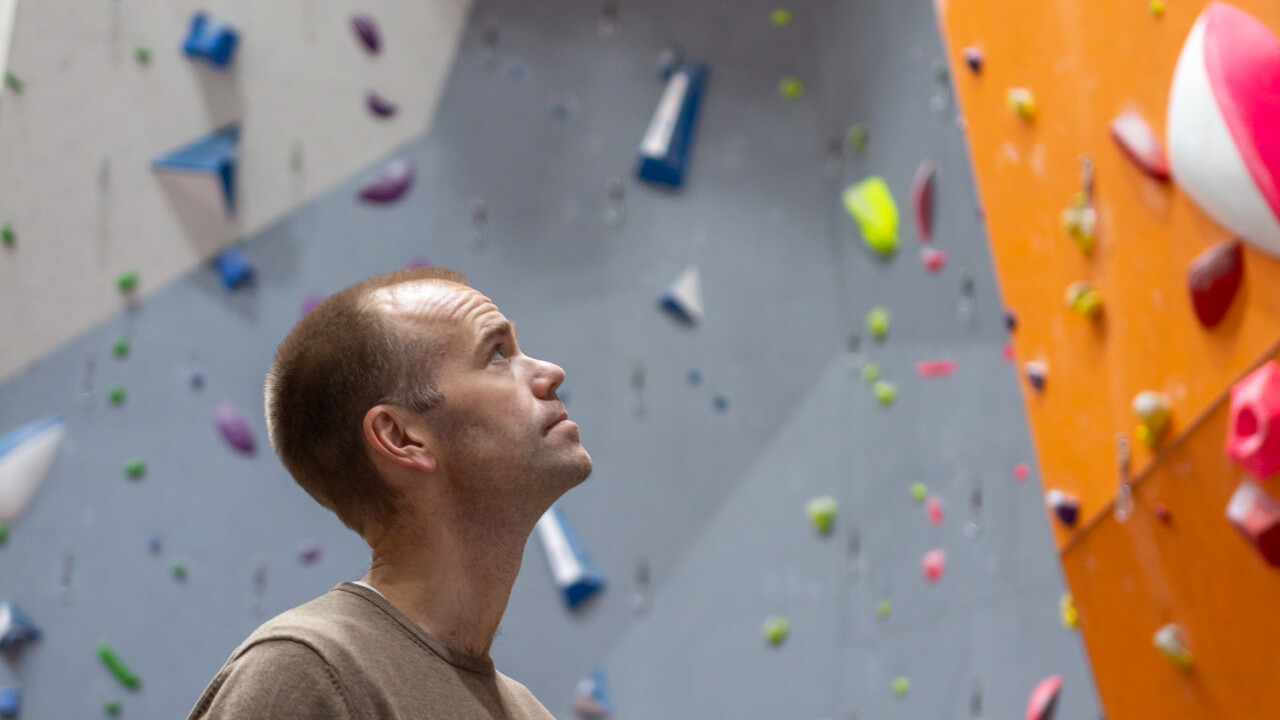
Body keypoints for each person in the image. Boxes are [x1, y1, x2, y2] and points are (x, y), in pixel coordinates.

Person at [188, 266, 591, 719]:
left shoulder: (529, 713)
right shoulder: (306, 673)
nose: (550, 372)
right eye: (497, 354)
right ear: (401, 437)